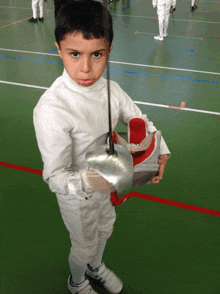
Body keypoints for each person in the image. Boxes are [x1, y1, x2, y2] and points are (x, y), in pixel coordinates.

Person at [33, 1, 170, 293]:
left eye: (97, 54)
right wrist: (88, 180)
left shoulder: (111, 89)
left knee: (105, 230)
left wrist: (160, 148)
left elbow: (139, 121)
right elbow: (54, 176)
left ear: (108, 50)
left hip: (108, 186)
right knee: (83, 246)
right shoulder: (52, 109)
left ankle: (96, 267)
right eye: (74, 54)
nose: (86, 67)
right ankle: (77, 280)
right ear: (59, 49)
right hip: (77, 197)